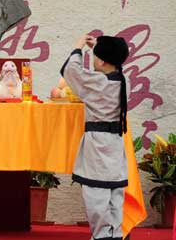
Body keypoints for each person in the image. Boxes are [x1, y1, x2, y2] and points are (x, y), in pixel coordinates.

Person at [61, 34, 130, 240]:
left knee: (96, 191)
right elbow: (103, 67)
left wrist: (79, 47)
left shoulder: (98, 82)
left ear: (100, 61)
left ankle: (102, 236)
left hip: (98, 144)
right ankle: (115, 233)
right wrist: (98, 48)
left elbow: (72, 71)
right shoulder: (120, 79)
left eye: (96, 57)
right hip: (115, 143)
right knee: (114, 192)